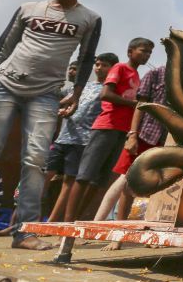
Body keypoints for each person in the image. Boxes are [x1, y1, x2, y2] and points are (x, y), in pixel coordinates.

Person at [0, 0, 101, 250]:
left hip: (46, 94)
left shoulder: (89, 18)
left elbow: (87, 58)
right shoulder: (29, 9)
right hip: (5, 86)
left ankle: (24, 232)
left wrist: (76, 94)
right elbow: (2, 48)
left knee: (36, 162)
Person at [56, 38, 152, 262]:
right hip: (106, 126)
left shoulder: (137, 76)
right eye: (143, 51)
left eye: (149, 52)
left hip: (122, 130)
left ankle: (79, 219)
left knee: (99, 180)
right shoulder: (120, 68)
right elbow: (105, 95)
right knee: (84, 176)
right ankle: (69, 226)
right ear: (130, 51)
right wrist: (136, 106)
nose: (146, 55)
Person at [98, 62, 168, 251]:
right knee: (127, 184)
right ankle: (117, 235)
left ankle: (150, 236)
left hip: (167, 139)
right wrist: (132, 135)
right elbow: (140, 106)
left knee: (159, 188)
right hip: (145, 135)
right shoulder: (155, 74)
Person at [46, 53, 118, 222]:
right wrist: (63, 111)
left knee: (68, 183)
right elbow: (66, 102)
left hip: (83, 141)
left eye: (104, 65)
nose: (99, 68)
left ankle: (52, 222)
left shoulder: (110, 91)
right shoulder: (82, 87)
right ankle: (24, 220)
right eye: (98, 64)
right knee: (43, 176)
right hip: (62, 138)